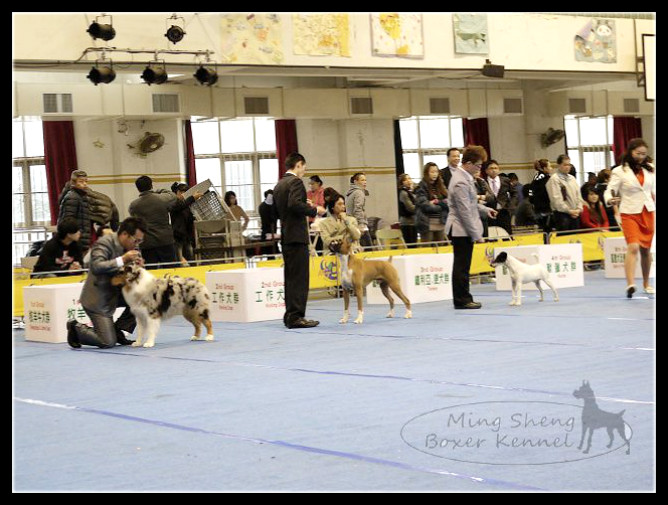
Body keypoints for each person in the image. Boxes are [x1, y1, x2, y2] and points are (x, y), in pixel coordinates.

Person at [66, 217, 147, 349]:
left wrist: (139, 267)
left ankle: (117, 330)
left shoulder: (133, 248)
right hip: (98, 299)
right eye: (136, 240)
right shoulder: (104, 243)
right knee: (107, 342)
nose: (137, 244)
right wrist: (122, 260)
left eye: (140, 241)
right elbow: (97, 266)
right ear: (125, 234)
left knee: (142, 298)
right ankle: (76, 328)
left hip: (117, 293)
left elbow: (134, 274)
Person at [273, 152, 326, 329]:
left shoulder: (279, 184)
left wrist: (304, 204)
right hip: (297, 236)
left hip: (286, 235)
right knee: (300, 279)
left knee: (290, 278)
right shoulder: (295, 182)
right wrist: (314, 209)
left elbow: (279, 210)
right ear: (298, 164)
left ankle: (290, 315)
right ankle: (296, 316)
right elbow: (294, 204)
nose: (304, 170)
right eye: (304, 167)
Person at [444, 145, 497, 310]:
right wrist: (476, 235)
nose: (480, 168)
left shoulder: (465, 177)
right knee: (461, 266)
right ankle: (462, 299)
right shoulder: (460, 181)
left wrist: (486, 209)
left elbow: (471, 203)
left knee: (463, 265)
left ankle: (463, 297)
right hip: (460, 229)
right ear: (468, 163)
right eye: (478, 165)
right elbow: (464, 211)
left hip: (463, 228)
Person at [604, 138, 656, 297]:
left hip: (648, 212)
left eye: (644, 154)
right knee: (633, 247)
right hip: (629, 213)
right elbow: (609, 190)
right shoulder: (619, 171)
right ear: (630, 152)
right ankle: (630, 284)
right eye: (638, 153)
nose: (641, 157)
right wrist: (610, 199)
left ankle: (646, 283)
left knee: (646, 250)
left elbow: (653, 190)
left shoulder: (650, 168)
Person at [128, 176, 179, 267]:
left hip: (147, 242)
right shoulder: (162, 199)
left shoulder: (133, 205)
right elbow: (173, 195)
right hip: (165, 240)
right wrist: (158, 190)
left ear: (138, 188)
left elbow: (133, 218)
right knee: (171, 268)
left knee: (151, 270)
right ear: (151, 185)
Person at [57, 170, 92, 255]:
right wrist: (75, 238)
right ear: (73, 183)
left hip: (81, 240)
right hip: (75, 241)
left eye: (86, 181)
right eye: (81, 181)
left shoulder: (81, 196)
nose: (85, 184)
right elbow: (68, 222)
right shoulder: (72, 197)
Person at [546, 155, 583, 233]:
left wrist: (578, 209)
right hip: (562, 215)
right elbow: (556, 200)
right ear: (559, 165)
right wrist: (569, 211)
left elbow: (579, 196)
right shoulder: (554, 179)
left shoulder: (572, 178)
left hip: (575, 215)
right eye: (565, 165)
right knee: (565, 239)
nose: (567, 167)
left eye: (569, 164)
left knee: (576, 238)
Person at [415, 162, 449, 244]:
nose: (435, 174)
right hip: (426, 223)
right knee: (427, 248)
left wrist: (436, 202)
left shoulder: (441, 186)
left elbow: (448, 202)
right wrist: (441, 205)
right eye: (432, 172)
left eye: (436, 172)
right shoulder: (421, 186)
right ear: (426, 173)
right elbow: (425, 205)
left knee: (441, 248)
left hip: (440, 222)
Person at [170, 182, 203, 266]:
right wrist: (192, 198)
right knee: (179, 261)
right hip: (177, 237)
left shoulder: (187, 205)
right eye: (181, 192)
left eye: (185, 192)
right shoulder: (174, 202)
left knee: (191, 259)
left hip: (187, 237)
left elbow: (189, 218)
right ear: (177, 192)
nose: (183, 194)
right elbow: (180, 206)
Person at [484, 160, 517, 235]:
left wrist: (511, 206)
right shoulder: (483, 181)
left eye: (496, 168)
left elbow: (514, 193)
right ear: (486, 171)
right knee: (491, 235)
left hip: (503, 211)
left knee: (507, 234)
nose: (494, 170)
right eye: (491, 168)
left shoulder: (505, 180)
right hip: (489, 211)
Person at [346, 173, 372, 248]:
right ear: (355, 181)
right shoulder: (359, 192)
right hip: (359, 224)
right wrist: (361, 224)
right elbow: (358, 209)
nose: (365, 182)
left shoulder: (350, 192)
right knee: (368, 249)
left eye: (365, 180)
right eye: (362, 180)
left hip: (351, 224)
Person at [529, 158, 555, 233]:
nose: (551, 168)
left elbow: (531, 193)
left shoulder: (535, 177)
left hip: (537, 209)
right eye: (550, 166)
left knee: (542, 232)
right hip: (546, 210)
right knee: (547, 232)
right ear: (544, 168)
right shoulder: (547, 179)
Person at [397, 174, 417, 247]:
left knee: (414, 245)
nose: (409, 181)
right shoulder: (403, 193)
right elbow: (411, 208)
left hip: (413, 222)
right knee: (411, 245)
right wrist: (421, 207)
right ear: (402, 182)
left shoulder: (411, 192)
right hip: (407, 223)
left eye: (409, 178)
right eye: (406, 179)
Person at [258, 189, 279, 255]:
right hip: (269, 232)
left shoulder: (262, 206)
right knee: (270, 252)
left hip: (268, 232)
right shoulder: (267, 207)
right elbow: (272, 217)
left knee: (270, 252)